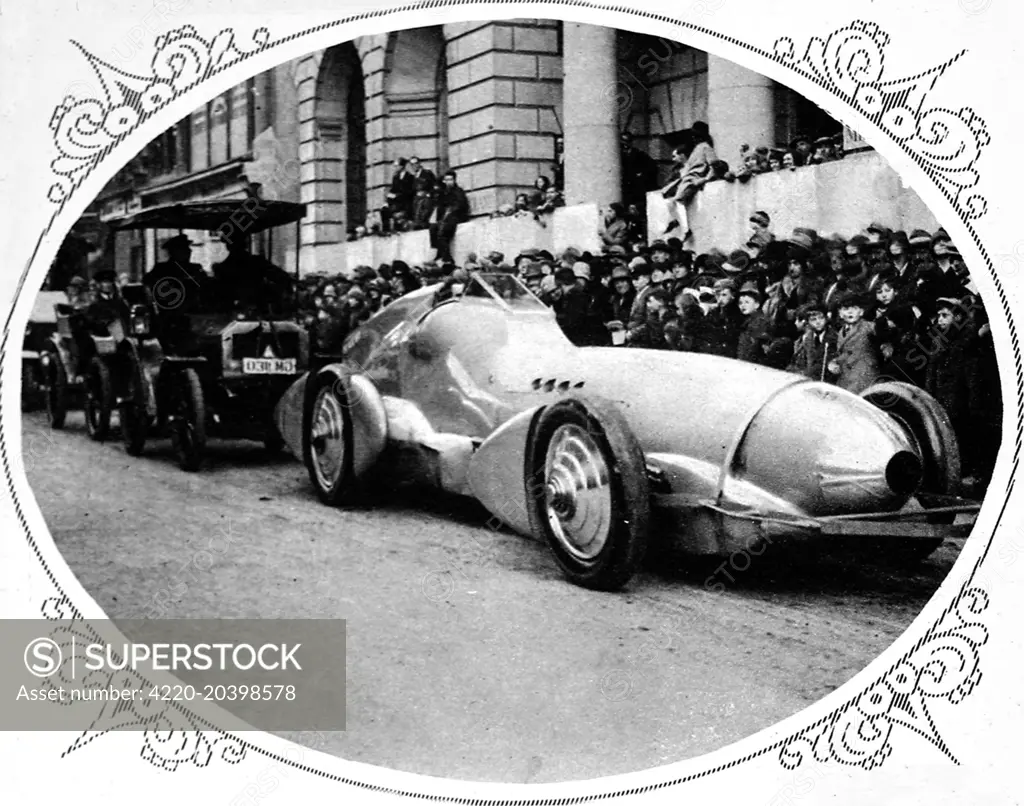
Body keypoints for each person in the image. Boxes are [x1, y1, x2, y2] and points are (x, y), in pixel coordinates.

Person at [211, 234, 294, 314]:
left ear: (228, 246)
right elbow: (282, 277)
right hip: (256, 308)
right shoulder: (257, 262)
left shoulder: (220, 268)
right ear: (245, 244)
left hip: (234, 311)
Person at [661, 122, 717, 239]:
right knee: (670, 201)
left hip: (693, 179)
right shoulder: (697, 148)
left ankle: (686, 230)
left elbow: (714, 164)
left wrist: (706, 179)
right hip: (686, 179)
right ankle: (675, 221)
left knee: (678, 201)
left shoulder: (706, 147)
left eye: (696, 136)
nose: (694, 138)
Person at [827, 291, 880, 393]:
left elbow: (883, 336)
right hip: (846, 376)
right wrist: (834, 362)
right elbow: (844, 353)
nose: (850, 312)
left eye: (855, 309)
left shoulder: (869, 327)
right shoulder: (841, 332)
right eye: (846, 309)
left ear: (861, 312)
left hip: (864, 375)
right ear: (840, 314)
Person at [143, 234, 209, 313]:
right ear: (174, 251)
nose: (189, 251)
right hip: (169, 310)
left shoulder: (196, 268)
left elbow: (205, 285)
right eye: (184, 248)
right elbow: (147, 281)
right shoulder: (161, 268)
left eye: (188, 248)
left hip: (194, 311)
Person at [787, 300, 836, 381]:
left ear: (826, 318)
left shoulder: (834, 338)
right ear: (808, 322)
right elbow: (800, 361)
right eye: (813, 319)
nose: (818, 322)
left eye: (821, 318)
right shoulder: (807, 338)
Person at [432, 170, 470, 263]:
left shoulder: (458, 191)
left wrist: (449, 212)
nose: (448, 182)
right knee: (433, 228)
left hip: (456, 216)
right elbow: (440, 207)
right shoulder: (444, 192)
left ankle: (447, 258)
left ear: (454, 180)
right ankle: (439, 253)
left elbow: (461, 205)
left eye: (450, 179)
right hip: (446, 217)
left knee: (443, 232)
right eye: (446, 180)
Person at [381, 158, 415, 233]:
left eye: (396, 166)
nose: (395, 168)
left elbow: (410, 192)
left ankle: (399, 228)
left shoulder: (410, 177)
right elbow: (393, 189)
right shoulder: (395, 177)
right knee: (384, 210)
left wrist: (397, 196)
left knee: (399, 213)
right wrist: (387, 200)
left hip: (406, 202)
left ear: (402, 166)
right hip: (396, 202)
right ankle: (386, 231)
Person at [408, 157, 437, 229]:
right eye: (412, 164)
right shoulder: (413, 176)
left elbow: (435, 186)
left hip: (426, 199)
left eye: (415, 163)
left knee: (423, 217)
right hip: (417, 200)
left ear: (419, 163)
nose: (414, 166)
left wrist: (429, 194)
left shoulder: (427, 173)